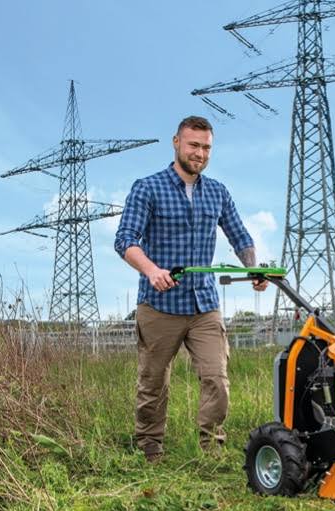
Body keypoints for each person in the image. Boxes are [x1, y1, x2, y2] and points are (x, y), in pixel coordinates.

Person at [114, 115, 266, 462]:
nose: (199, 153)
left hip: (204, 306)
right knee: (153, 384)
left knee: (217, 378)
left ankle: (210, 449)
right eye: (193, 145)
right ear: (176, 143)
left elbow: (240, 236)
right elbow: (125, 240)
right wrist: (151, 270)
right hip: (159, 304)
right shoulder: (148, 188)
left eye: (206, 147)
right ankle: (150, 449)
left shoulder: (217, 192)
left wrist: (252, 267)